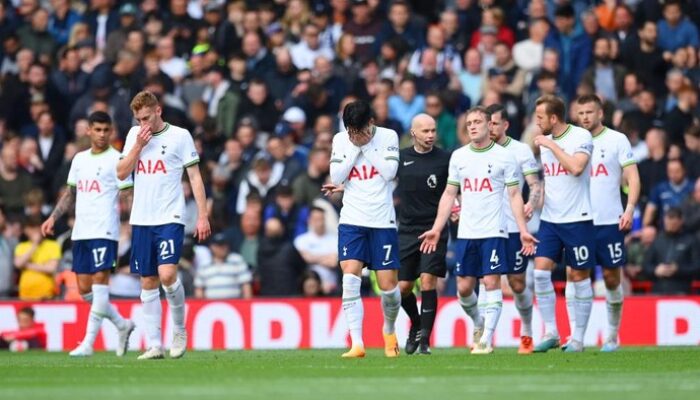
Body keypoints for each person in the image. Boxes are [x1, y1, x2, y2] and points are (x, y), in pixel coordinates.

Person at [419, 106, 537, 354]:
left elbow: (514, 194)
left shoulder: (504, 157)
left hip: (495, 230)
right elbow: (450, 193)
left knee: (492, 281)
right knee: (463, 288)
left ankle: (485, 340)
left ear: (488, 125)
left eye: (477, 122)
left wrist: (523, 229)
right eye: (469, 122)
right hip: (467, 232)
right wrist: (437, 228)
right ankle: (479, 323)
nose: (472, 126)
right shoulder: (459, 156)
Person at [117, 91, 211, 360]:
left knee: (168, 275)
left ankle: (179, 330)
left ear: (158, 111)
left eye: (146, 117)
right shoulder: (134, 136)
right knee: (147, 280)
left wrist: (202, 215)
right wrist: (137, 146)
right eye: (138, 119)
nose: (142, 124)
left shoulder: (179, 136)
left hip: (170, 216)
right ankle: (155, 344)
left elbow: (194, 177)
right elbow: (121, 172)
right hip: (142, 218)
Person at [41, 111, 136, 357]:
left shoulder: (118, 159)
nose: (102, 134)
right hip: (81, 230)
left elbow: (127, 194)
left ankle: (88, 343)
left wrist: (133, 220)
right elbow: (70, 193)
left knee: (100, 284)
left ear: (111, 132)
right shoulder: (79, 159)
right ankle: (122, 324)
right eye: (98, 129)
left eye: (106, 130)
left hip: (105, 230)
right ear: (88, 131)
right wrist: (53, 217)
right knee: (85, 290)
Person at [323, 99, 401, 358]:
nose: (354, 136)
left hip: (382, 220)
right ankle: (357, 343)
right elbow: (336, 176)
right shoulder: (341, 139)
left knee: (389, 287)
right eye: (350, 131)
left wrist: (365, 147)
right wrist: (355, 146)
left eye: (359, 130)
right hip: (352, 219)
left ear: (371, 122)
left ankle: (389, 330)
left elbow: (389, 171)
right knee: (350, 277)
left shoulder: (388, 136)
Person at [575, 95, 641, 352]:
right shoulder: (571, 142)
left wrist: (630, 208)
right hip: (578, 221)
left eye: (589, 112)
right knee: (576, 275)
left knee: (612, 278)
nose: (584, 118)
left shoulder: (616, 140)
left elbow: (633, 177)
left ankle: (612, 336)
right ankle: (577, 338)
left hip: (608, 221)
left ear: (600, 113)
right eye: (580, 113)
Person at [532, 95, 595, 353]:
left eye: (540, 118)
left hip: (578, 219)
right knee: (539, 273)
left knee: (579, 277)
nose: (537, 123)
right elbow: (551, 180)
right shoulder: (545, 144)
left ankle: (578, 338)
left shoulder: (581, 137)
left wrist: (551, 145)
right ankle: (551, 332)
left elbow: (576, 168)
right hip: (550, 219)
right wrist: (533, 201)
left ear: (554, 118)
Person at [484, 104, 542, 354]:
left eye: (495, 123)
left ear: (506, 125)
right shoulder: (477, 151)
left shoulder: (521, 151)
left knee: (517, 284)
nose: (491, 128)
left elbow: (534, 183)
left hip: (512, 228)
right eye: (488, 123)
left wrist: (531, 201)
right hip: (484, 227)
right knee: (486, 281)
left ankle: (527, 331)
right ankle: (483, 335)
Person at [396, 114, 450, 355]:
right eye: (425, 131)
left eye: (433, 130)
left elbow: (454, 189)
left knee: (428, 281)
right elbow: (377, 181)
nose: (430, 135)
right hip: (407, 230)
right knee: (404, 287)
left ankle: (426, 341)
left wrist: (456, 207)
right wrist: (346, 186)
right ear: (413, 132)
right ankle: (416, 324)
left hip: (434, 228)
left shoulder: (445, 159)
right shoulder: (400, 158)